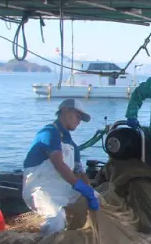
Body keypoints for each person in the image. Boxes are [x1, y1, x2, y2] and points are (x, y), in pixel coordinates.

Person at [23, 99, 100, 235]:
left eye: (81, 118)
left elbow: (80, 173)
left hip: (63, 189)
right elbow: (59, 164)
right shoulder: (49, 132)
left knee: (98, 197)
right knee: (56, 218)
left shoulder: (72, 146)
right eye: (77, 116)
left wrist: (89, 191)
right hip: (40, 189)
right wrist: (81, 187)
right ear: (65, 111)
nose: (79, 121)